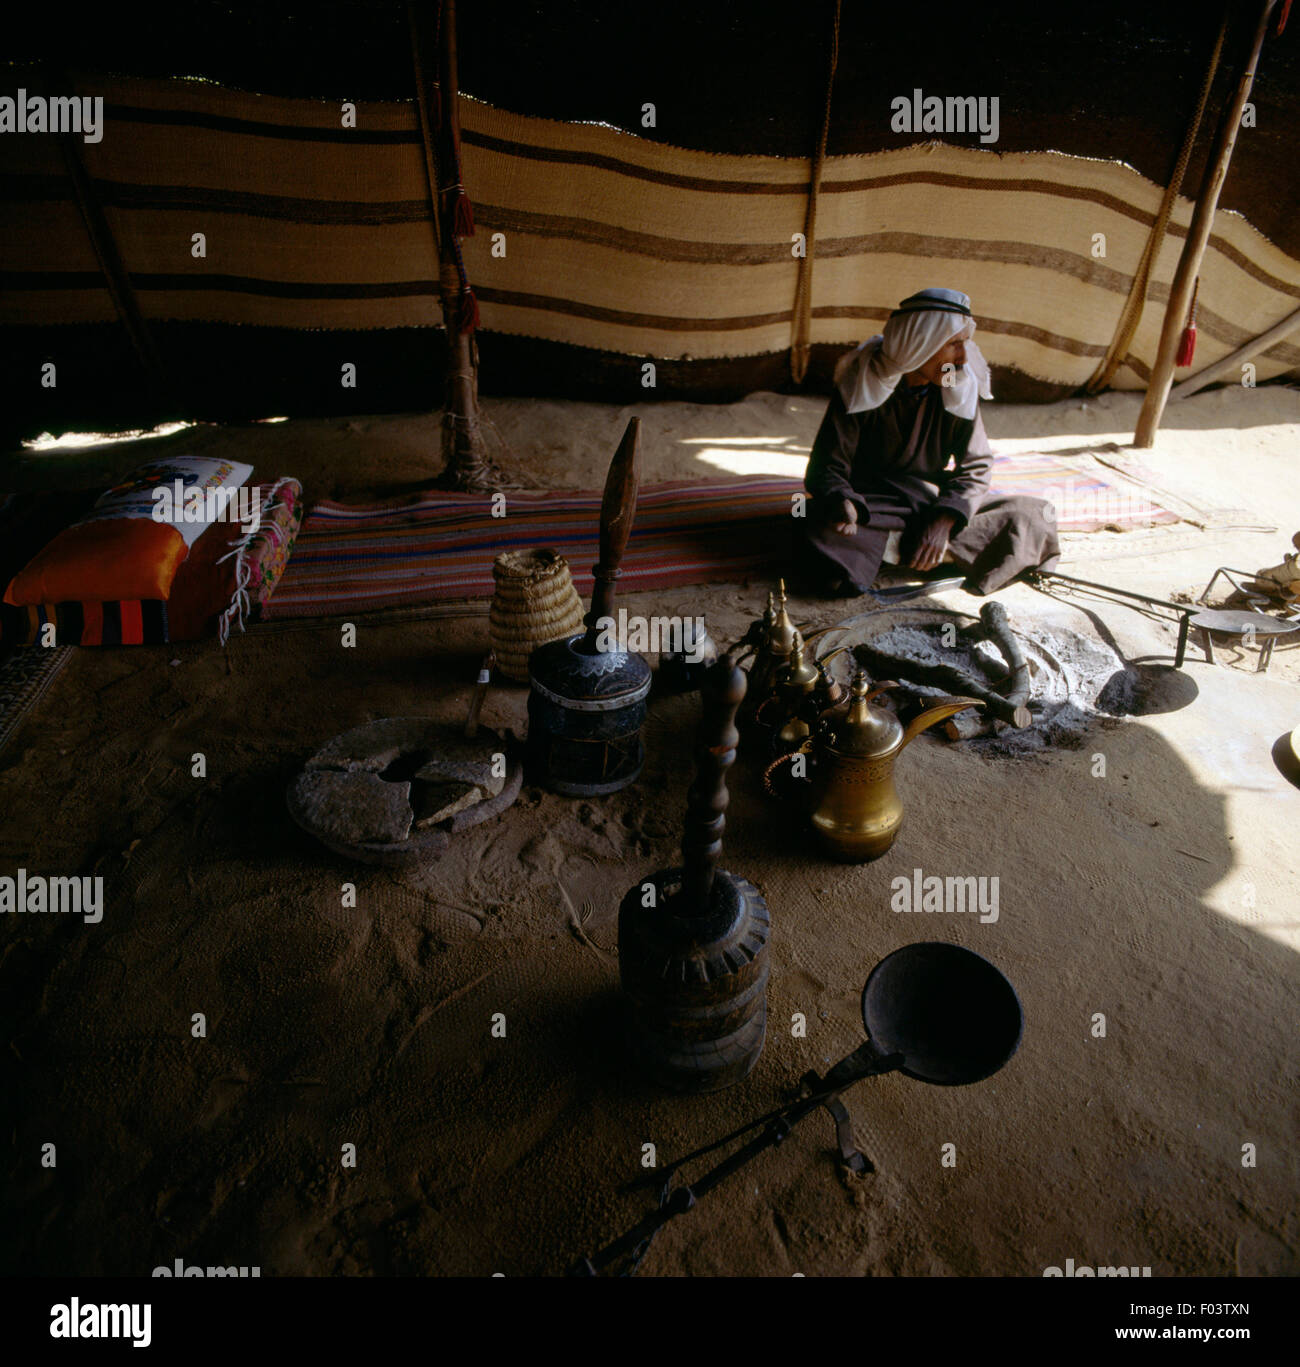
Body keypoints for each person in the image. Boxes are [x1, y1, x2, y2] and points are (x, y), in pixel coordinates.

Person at [798, 287, 1060, 596]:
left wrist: (944, 522)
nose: (963, 357)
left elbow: (976, 465)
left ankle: (906, 553)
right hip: (874, 506)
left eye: (965, 343)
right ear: (919, 345)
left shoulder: (955, 382)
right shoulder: (865, 383)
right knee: (819, 532)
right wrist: (844, 502)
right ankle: (936, 555)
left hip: (932, 503)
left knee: (1033, 516)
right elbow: (826, 466)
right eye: (953, 344)